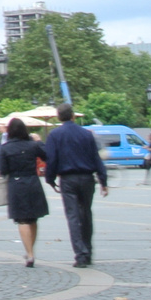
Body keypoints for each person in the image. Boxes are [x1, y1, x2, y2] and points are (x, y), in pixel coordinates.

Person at [43, 103, 109, 267]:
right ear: (72, 115)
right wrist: (103, 180)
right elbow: (96, 158)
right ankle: (89, 250)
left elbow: (51, 159)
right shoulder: (86, 134)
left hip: (68, 179)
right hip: (87, 178)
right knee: (86, 213)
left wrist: (50, 179)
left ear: (59, 117)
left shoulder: (55, 135)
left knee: (72, 216)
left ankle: (80, 254)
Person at [0, 116, 48, 266]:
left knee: (22, 219)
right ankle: (30, 250)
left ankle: (29, 254)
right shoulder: (32, 145)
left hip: (16, 184)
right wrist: (39, 141)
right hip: (33, 182)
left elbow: (3, 170)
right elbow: (47, 155)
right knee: (33, 218)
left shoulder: (5, 148)